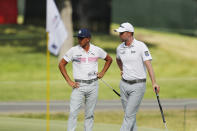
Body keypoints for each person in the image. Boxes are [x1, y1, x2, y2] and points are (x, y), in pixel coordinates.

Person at [59, 28, 112, 131]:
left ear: (88, 39)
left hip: (93, 85)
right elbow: (61, 64)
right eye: (78, 38)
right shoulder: (73, 50)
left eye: (81, 38)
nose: (79, 40)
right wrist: (69, 81)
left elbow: (109, 59)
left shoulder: (96, 50)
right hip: (79, 86)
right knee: (73, 112)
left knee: (89, 114)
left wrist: (102, 72)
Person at [114, 22, 160, 131]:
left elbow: (149, 65)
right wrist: (122, 70)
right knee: (130, 116)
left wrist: (154, 82)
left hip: (138, 85)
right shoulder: (119, 48)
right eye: (119, 33)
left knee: (129, 116)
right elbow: (118, 59)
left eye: (122, 33)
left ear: (130, 33)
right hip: (124, 85)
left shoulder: (141, 46)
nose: (119, 35)